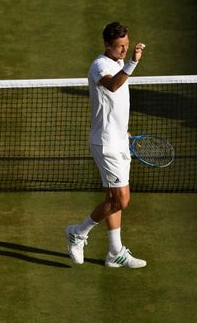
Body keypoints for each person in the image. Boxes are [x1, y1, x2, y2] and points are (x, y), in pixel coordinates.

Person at [65, 21, 147, 268]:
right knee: (121, 200)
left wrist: (123, 131)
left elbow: (114, 105)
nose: (124, 50)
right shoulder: (100, 65)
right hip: (106, 144)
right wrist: (133, 62)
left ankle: (114, 252)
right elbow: (112, 86)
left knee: (112, 196)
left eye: (126, 45)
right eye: (119, 47)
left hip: (119, 139)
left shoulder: (119, 62)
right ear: (107, 45)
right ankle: (78, 232)